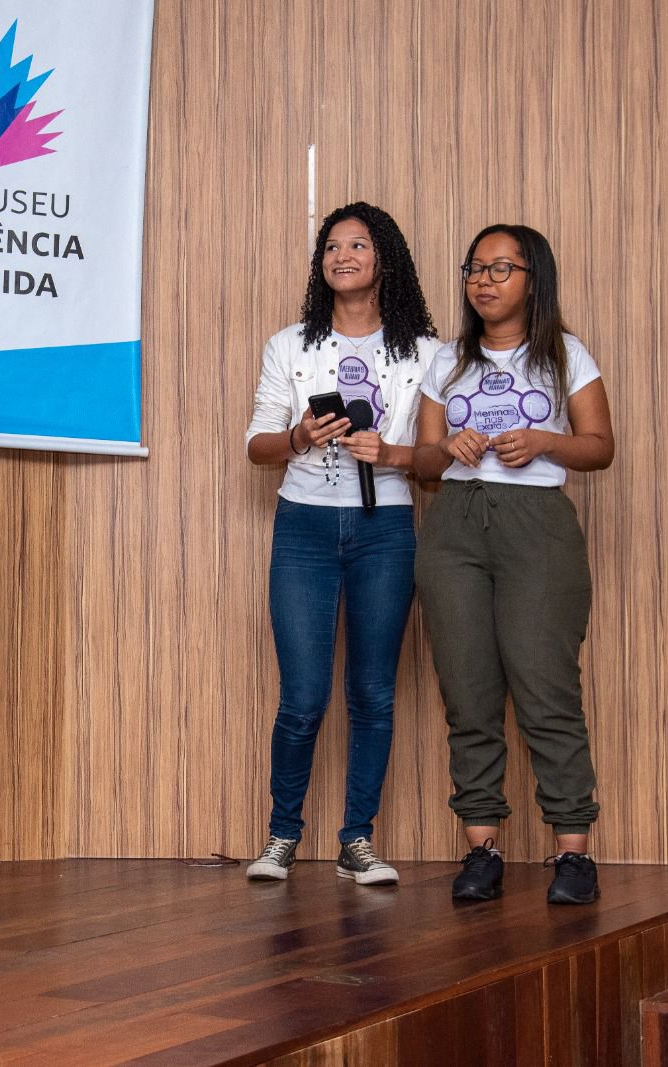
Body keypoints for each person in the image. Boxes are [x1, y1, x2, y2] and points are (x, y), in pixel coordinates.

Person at [412, 223, 614, 905]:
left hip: (538, 528)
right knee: (468, 690)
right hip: (456, 527)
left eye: (501, 268)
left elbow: (600, 447)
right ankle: (482, 849)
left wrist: (546, 440)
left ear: (534, 279)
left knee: (544, 685)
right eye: (476, 267)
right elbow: (423, 465)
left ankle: (573, 852)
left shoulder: (566, 355)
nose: (484, 280)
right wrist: (450, 448)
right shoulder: (447, 360)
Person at [243, 202, 440, 885]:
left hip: (385, 529)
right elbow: (256, 445)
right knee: (302, 697)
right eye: (331, 247)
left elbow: (440, 462)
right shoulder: (288, 345)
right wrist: (300, 435)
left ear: (385, 258)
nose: (342, 255)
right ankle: (281, 835)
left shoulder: (427, 354)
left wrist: (390, 451)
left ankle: (357, 838)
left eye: (358, 244)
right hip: (303, 528)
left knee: (372, 694)